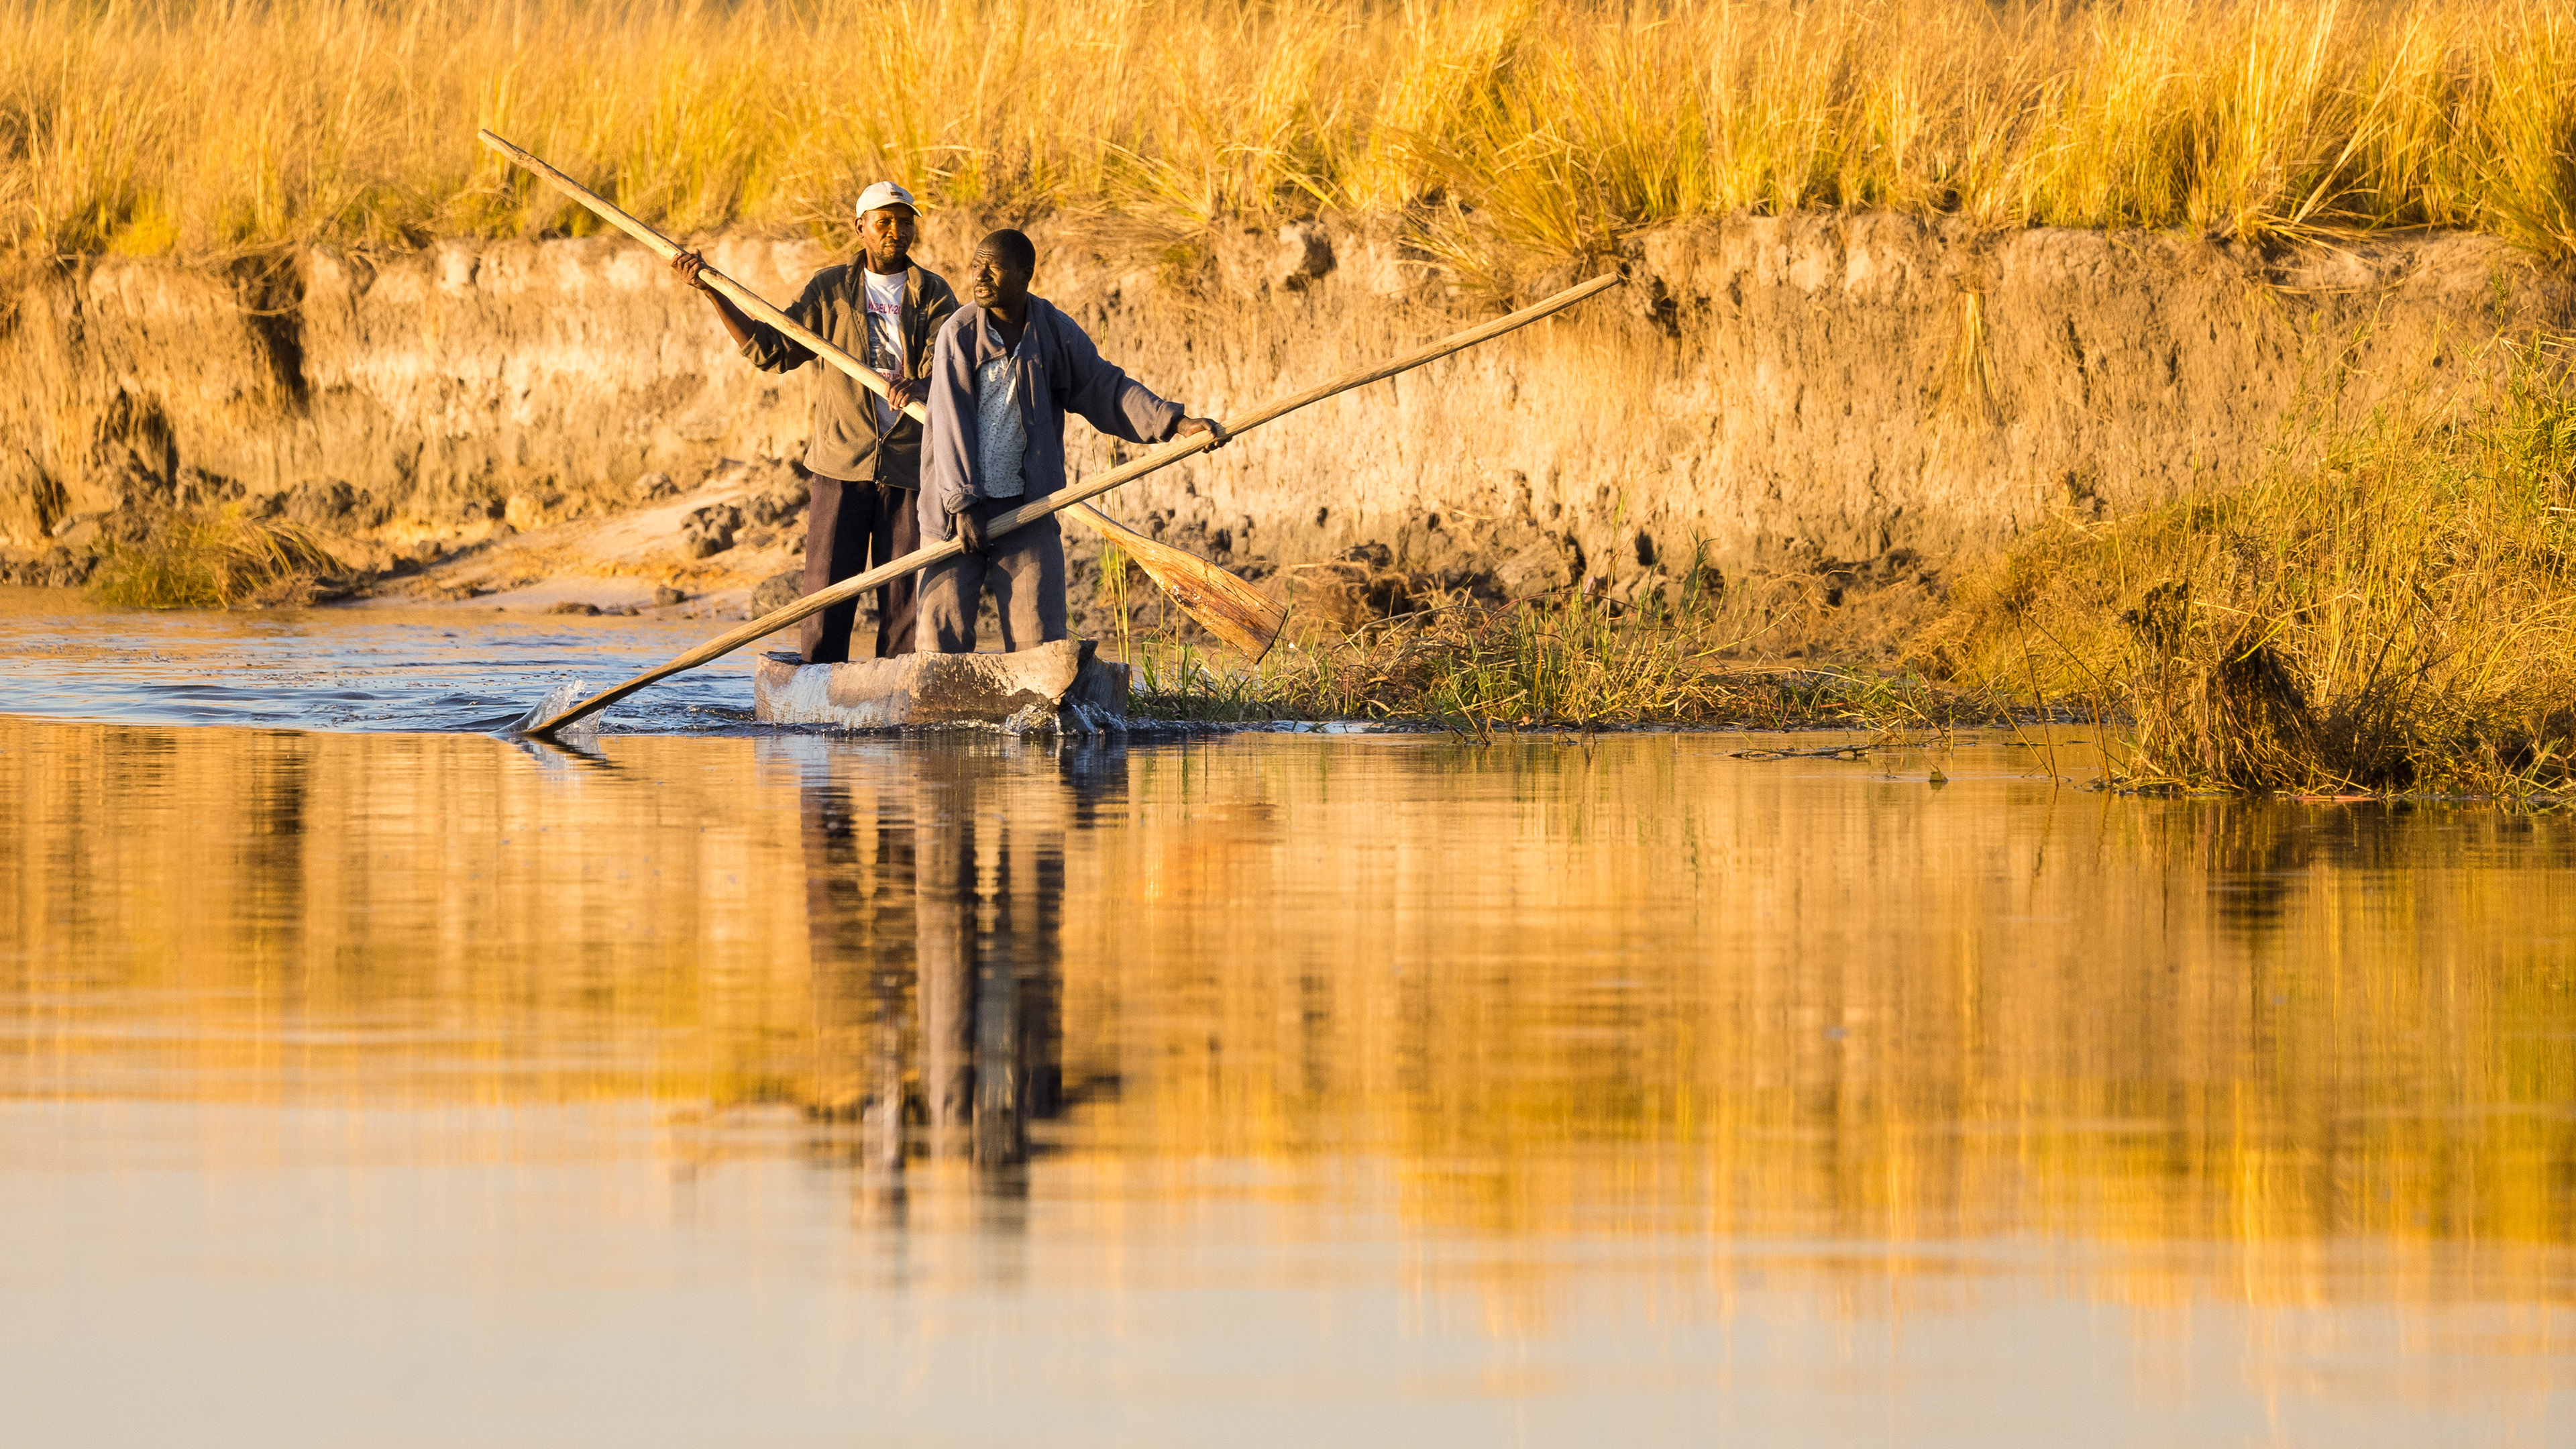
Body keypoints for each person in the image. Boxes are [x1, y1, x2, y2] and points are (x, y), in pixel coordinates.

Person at [672, 182, 957, 661]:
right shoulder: (830, 291)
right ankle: (817, 694)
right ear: (861, 227)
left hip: (910, 466)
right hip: (841, 464)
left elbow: (949, 369)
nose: (896, 231)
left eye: (904, 222)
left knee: (906, 600)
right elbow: (770, 350)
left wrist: (924, 387)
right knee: (826, 597)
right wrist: (711, 292)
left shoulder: (933, 293)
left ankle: (898, 694)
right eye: (884, 221)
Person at [918, 228, 1224, 653]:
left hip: (1028, 509)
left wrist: (1175, 423)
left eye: (994, 266)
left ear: (1025, 275)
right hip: (954, 513)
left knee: (1040, 646)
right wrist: (963, 504)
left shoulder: (1053, 333)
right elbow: (949, 424)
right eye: (976, 265)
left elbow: (1105, 387)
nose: (980, 276)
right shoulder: (960, 333)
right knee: (939, 642)